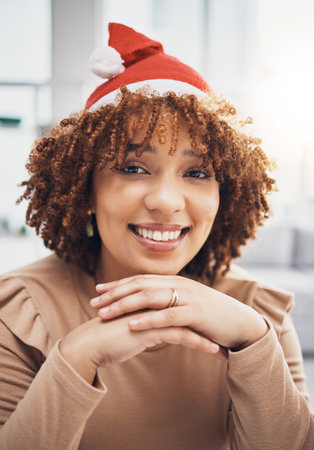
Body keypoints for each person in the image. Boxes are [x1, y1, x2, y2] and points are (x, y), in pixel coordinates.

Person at [0, 22, 313, 450]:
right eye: (133, 168)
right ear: (85, 188)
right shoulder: (20, 311)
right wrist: (75, 358)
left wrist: (253, 344)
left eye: (198, 172)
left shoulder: (258, 316)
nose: (166, 201)